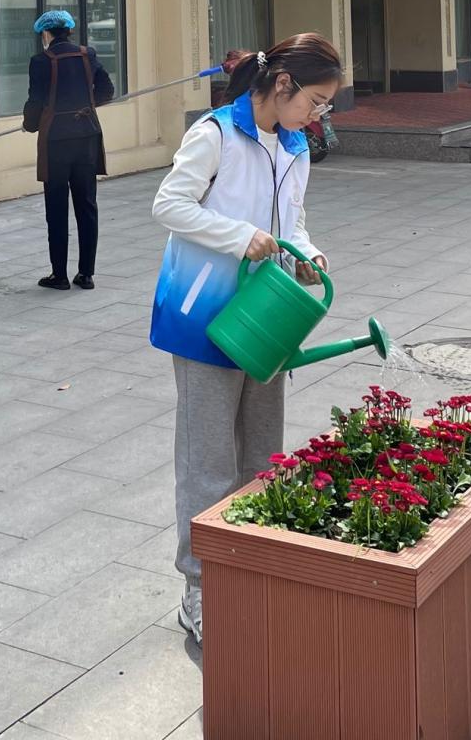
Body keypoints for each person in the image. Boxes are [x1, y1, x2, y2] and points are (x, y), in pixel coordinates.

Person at [149, 33, 343, 645]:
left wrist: (307, 253)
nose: (318, 116)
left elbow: (293, 221)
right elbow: (169, 205)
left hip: (266, 317)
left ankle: (252, 567)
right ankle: (199, 587)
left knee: (262, 456)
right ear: (282, 85)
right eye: (315, 101)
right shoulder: (215, 134)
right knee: (207, 463)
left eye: (325, 106)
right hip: (203, 315)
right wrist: (239, 237)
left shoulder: (294, 146)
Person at [22, 9, 114, 291]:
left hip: (56, 142)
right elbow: (106, 91)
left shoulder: (41, 61)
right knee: (87, 206)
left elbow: (36, 101)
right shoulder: (88, 55)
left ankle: (59, 275)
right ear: (69, 30)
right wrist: (85, 106)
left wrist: (29, 124)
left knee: (57, 208)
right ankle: (86, 274)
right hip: (87, 137)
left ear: (46, 33)